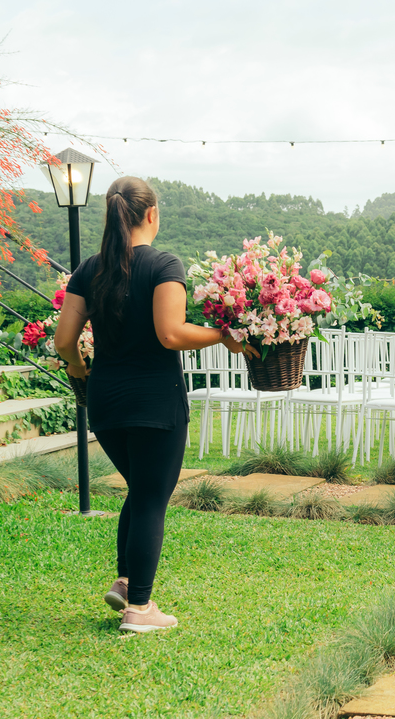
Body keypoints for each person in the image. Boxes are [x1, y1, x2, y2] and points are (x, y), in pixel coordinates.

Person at [54, 176, 256, 634]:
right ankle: (140, 609)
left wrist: (80, 371)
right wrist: (224, 338)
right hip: (154, 402)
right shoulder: (164, 263)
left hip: (104, 400)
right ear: (151, 214)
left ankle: (127, 582)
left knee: (141, 490)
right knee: (150, 497)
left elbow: (65, 340)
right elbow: (171, 333)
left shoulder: (89, 269)